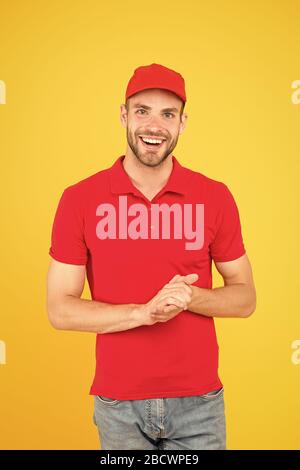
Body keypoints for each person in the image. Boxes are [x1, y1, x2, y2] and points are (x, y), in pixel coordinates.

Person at [46, 63, 256, 450]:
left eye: (168, 114)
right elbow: (60, 309)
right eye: (142, 110)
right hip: (119, 404)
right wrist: (143, 313)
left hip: (200, 404)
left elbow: (245, 299)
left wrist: (193, 297)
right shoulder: (79, 199)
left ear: (182, 123)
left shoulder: (214, 196)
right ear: (124, 115)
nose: (154, 125)